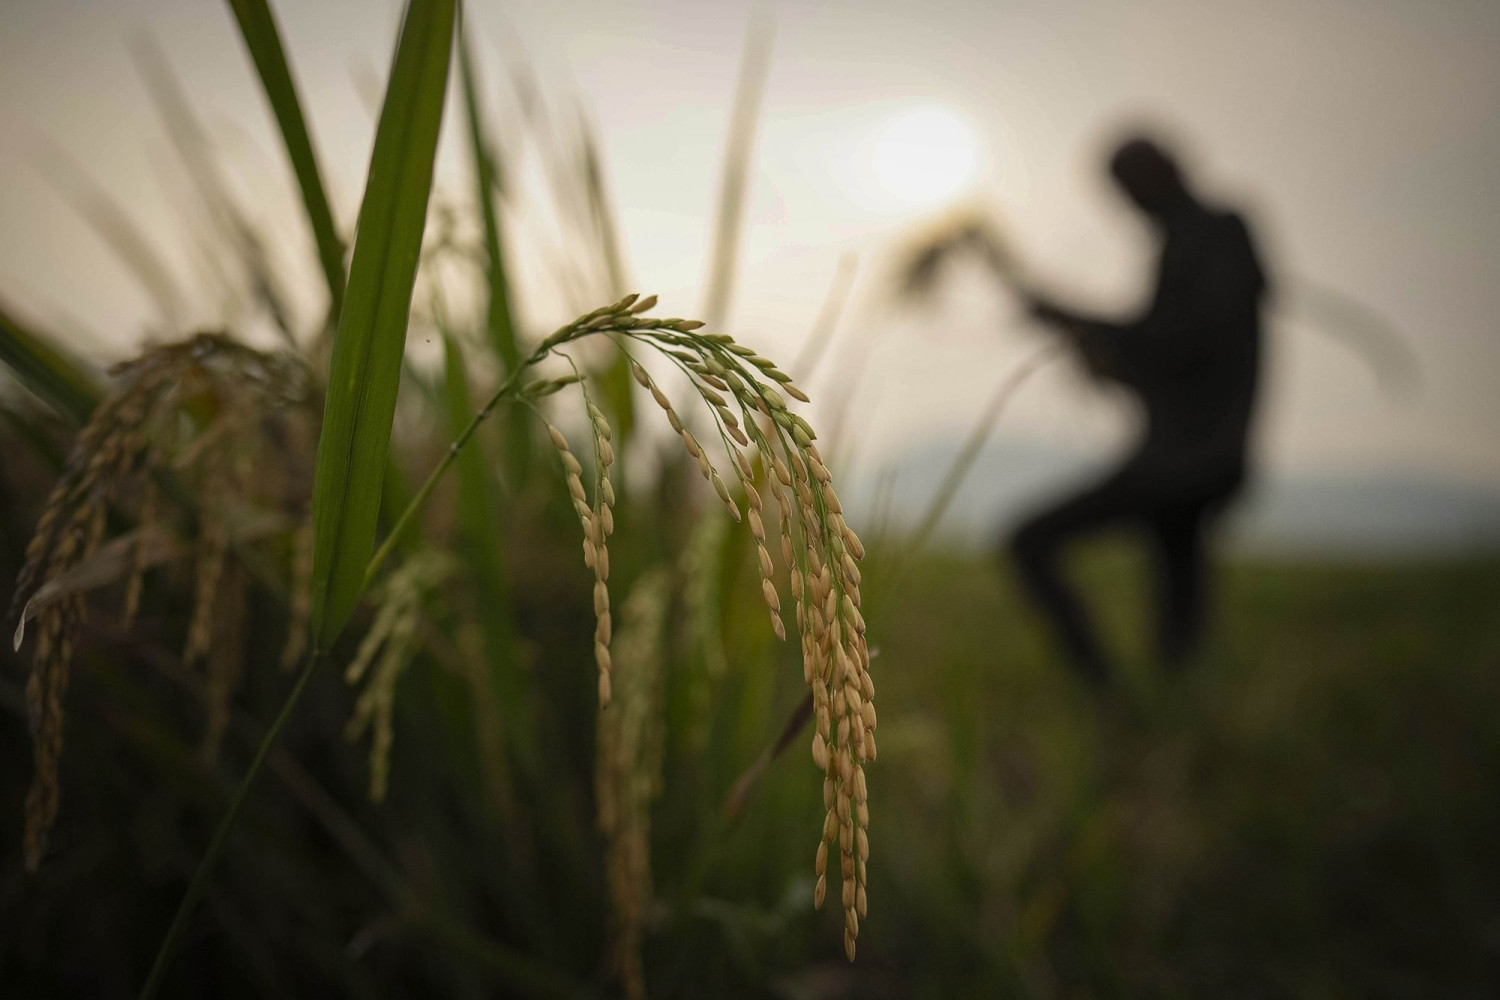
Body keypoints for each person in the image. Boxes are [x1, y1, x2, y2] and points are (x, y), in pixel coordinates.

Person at [1010, 134, 1270, 688]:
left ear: (1170, 169)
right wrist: (1098, 350)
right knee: (1178, 584)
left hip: (1189, 459)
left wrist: (1075, 320)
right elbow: (1161, 364)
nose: (1131, 204)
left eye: (1133, 187)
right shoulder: (1190, 245)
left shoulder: (1217, 235)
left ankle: (1106, 692)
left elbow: (1179, 344)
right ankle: (1168, 707)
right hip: (1187, 454)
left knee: (1030, 541)